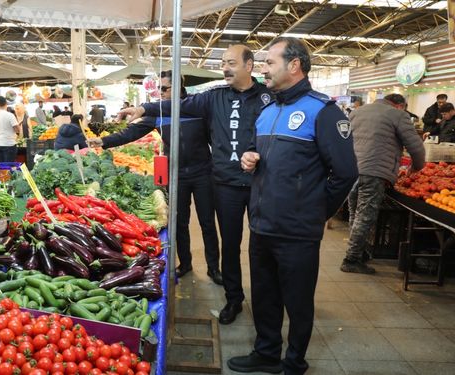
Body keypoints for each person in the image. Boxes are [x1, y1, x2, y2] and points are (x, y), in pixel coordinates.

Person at [119, 44, 272, 325]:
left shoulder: (269, 97)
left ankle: (266, 303)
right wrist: (143, 107)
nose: (225, 67)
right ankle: (234, 298)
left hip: (262, 183)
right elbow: (176, 104)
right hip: (226, 184)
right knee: (231, 244)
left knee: (262, 247)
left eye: (232, 62)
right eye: (223, 62)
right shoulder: (212, 98)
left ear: (249, 66)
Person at [238, 37, 358, 374]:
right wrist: (249, 158)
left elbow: (346, 172)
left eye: (270, 62)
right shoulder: (267, 110)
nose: (263, 68)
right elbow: (254, 152)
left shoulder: (323, 111)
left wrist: (316, 211)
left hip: (297, 230)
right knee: (263, 295)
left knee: (298, 300)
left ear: (294, 65)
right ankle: (266, 353)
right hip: (261, 223)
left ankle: (294, 361)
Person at [88, 70, 222, 285]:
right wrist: (104, 142)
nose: (160, 93)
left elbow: (216, 134)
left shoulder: (197, 108)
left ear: (178, 86)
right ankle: (185, 264)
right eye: (159, 88)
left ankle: (214, 268)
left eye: (165, 88)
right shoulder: (158, 111)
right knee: (179, 222)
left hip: (203, 172)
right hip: (176, 174)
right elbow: (131, 132)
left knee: (207, 221)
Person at [341, 94, 425, 275]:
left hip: (352, 168)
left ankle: (358, 252)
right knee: (365, 216)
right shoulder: (398, 115)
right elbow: (415, 146)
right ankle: (351, 259)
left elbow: (344, 137)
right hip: (374, 171)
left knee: (355, 212)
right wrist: (418, 167)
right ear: (400, 106)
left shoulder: (358, 111)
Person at [0, 96, 19, 163]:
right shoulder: (10, 115)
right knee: (7, 168)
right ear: (6, 104)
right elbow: (17, 129)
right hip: (8, 145)